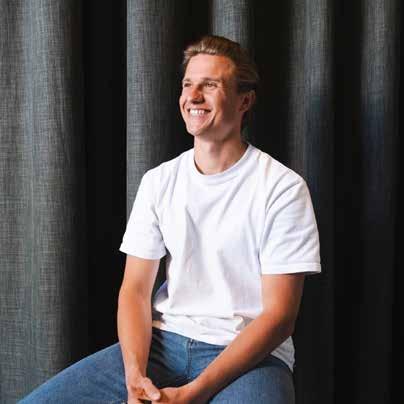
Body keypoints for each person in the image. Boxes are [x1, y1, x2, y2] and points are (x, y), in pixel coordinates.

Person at [19, 35, 321, 404]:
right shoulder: (159, 181)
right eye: (187, 84)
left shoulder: (283, 188)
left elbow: (279, 317)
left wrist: (193, 393)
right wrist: (134, 376)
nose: (193, 96)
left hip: (249, 356)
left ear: (245, 100)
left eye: (210, 85)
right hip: (164, 343)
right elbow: (135, 290)